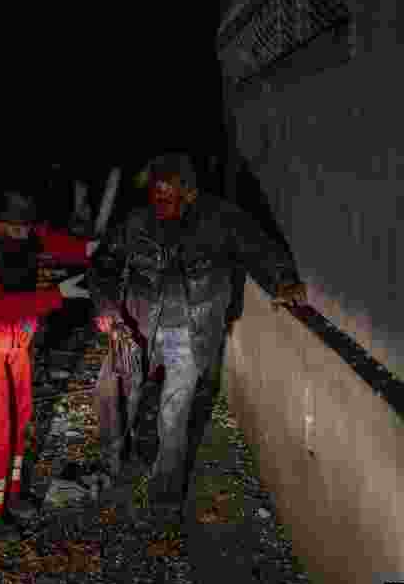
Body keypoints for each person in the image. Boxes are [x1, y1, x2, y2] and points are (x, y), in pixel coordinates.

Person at [88, 153, 307, 520]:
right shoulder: (137, 221)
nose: (160, 206)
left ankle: (165, 495)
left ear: (190, 194)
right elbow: (103, 266)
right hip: (136, 323)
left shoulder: (222, 219)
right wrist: (109, 311)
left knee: (175, 413)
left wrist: (283, 280)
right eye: (155, 197)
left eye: (168, 197)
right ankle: (110, 465)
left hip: (190, 332)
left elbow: (259, 249)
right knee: (112, 391)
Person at [0, 181, 98, 539]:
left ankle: (9, 493)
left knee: (20, 412)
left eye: (26, 226)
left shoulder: (19, 228)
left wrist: (90, 249)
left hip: (15, 333)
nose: (24, 233)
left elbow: (50, 241)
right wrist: (57, 294)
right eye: (16, 227)